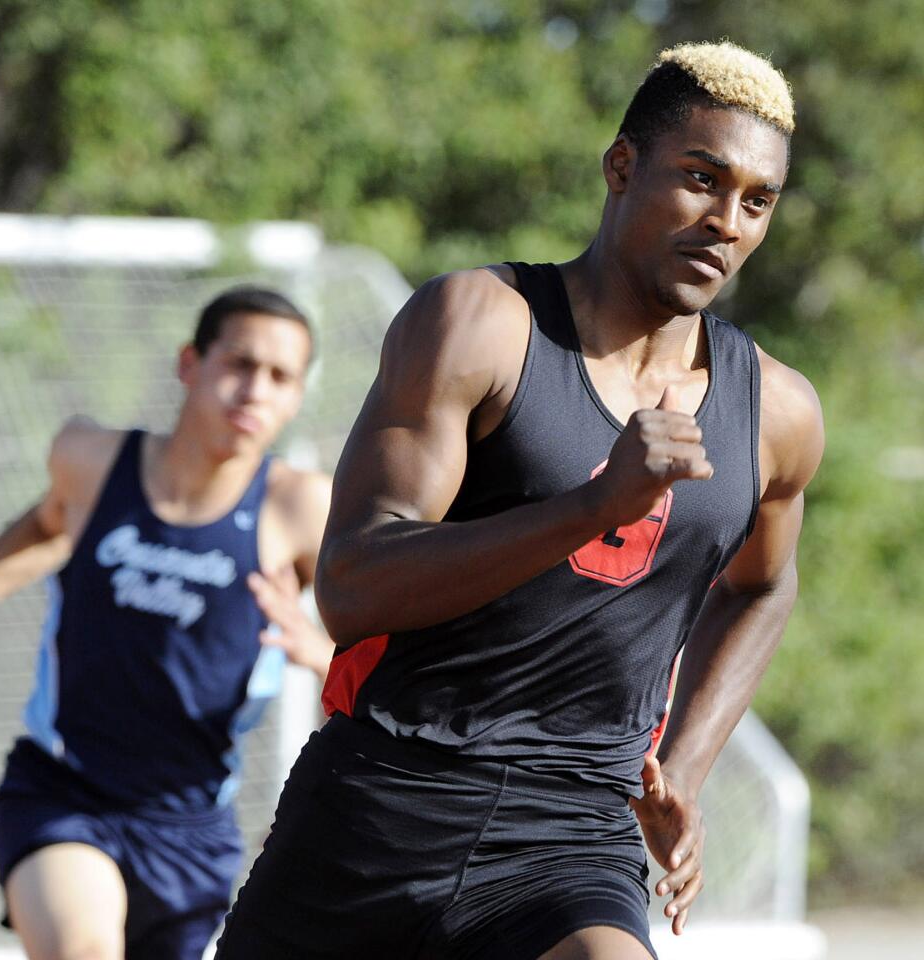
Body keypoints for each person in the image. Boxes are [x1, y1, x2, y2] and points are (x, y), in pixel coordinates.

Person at [214, 41, 824, 960]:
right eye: (702, 179)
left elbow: (761, 586)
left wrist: (684, 770)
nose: (727, 222)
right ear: (622, 167)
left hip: (572, 831)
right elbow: (350, 585)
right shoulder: (480, 324)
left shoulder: (775, 411)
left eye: (757, 200)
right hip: (378, 803)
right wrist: (593, 506)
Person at [0, 286, 334, 960]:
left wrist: (318, 652)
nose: (254, 391)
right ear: (190, 364)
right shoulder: (94, 460)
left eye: (279, 377)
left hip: (191, 829)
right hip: (64, 792)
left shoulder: (298, 508)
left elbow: (373, 662)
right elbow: (45, 523)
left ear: (297, 397)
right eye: (239, 364)